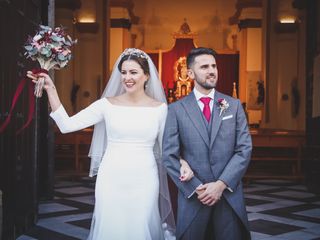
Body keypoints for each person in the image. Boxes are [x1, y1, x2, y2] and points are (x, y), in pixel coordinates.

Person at [27, 48, 193, 240]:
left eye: (133, 72)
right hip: (111, 177)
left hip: (144, 178)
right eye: (123, 72)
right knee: (111, 226)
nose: (127, 77)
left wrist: (183, 162)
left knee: (141, 225)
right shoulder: (106, 105)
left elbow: (168, 147)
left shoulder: (160, 109)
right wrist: (51, 90)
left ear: (147, 76)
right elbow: (66, 125)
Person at [162, 47, 252, 240]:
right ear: (190, 73)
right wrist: (197, 188)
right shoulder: (176, 110)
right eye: (204, 67)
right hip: (195, 198)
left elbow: (244, 149)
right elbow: (169, 155)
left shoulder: (233, 106)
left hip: (228, 196)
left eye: (214, 66)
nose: (211, 70)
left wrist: (220, 185)